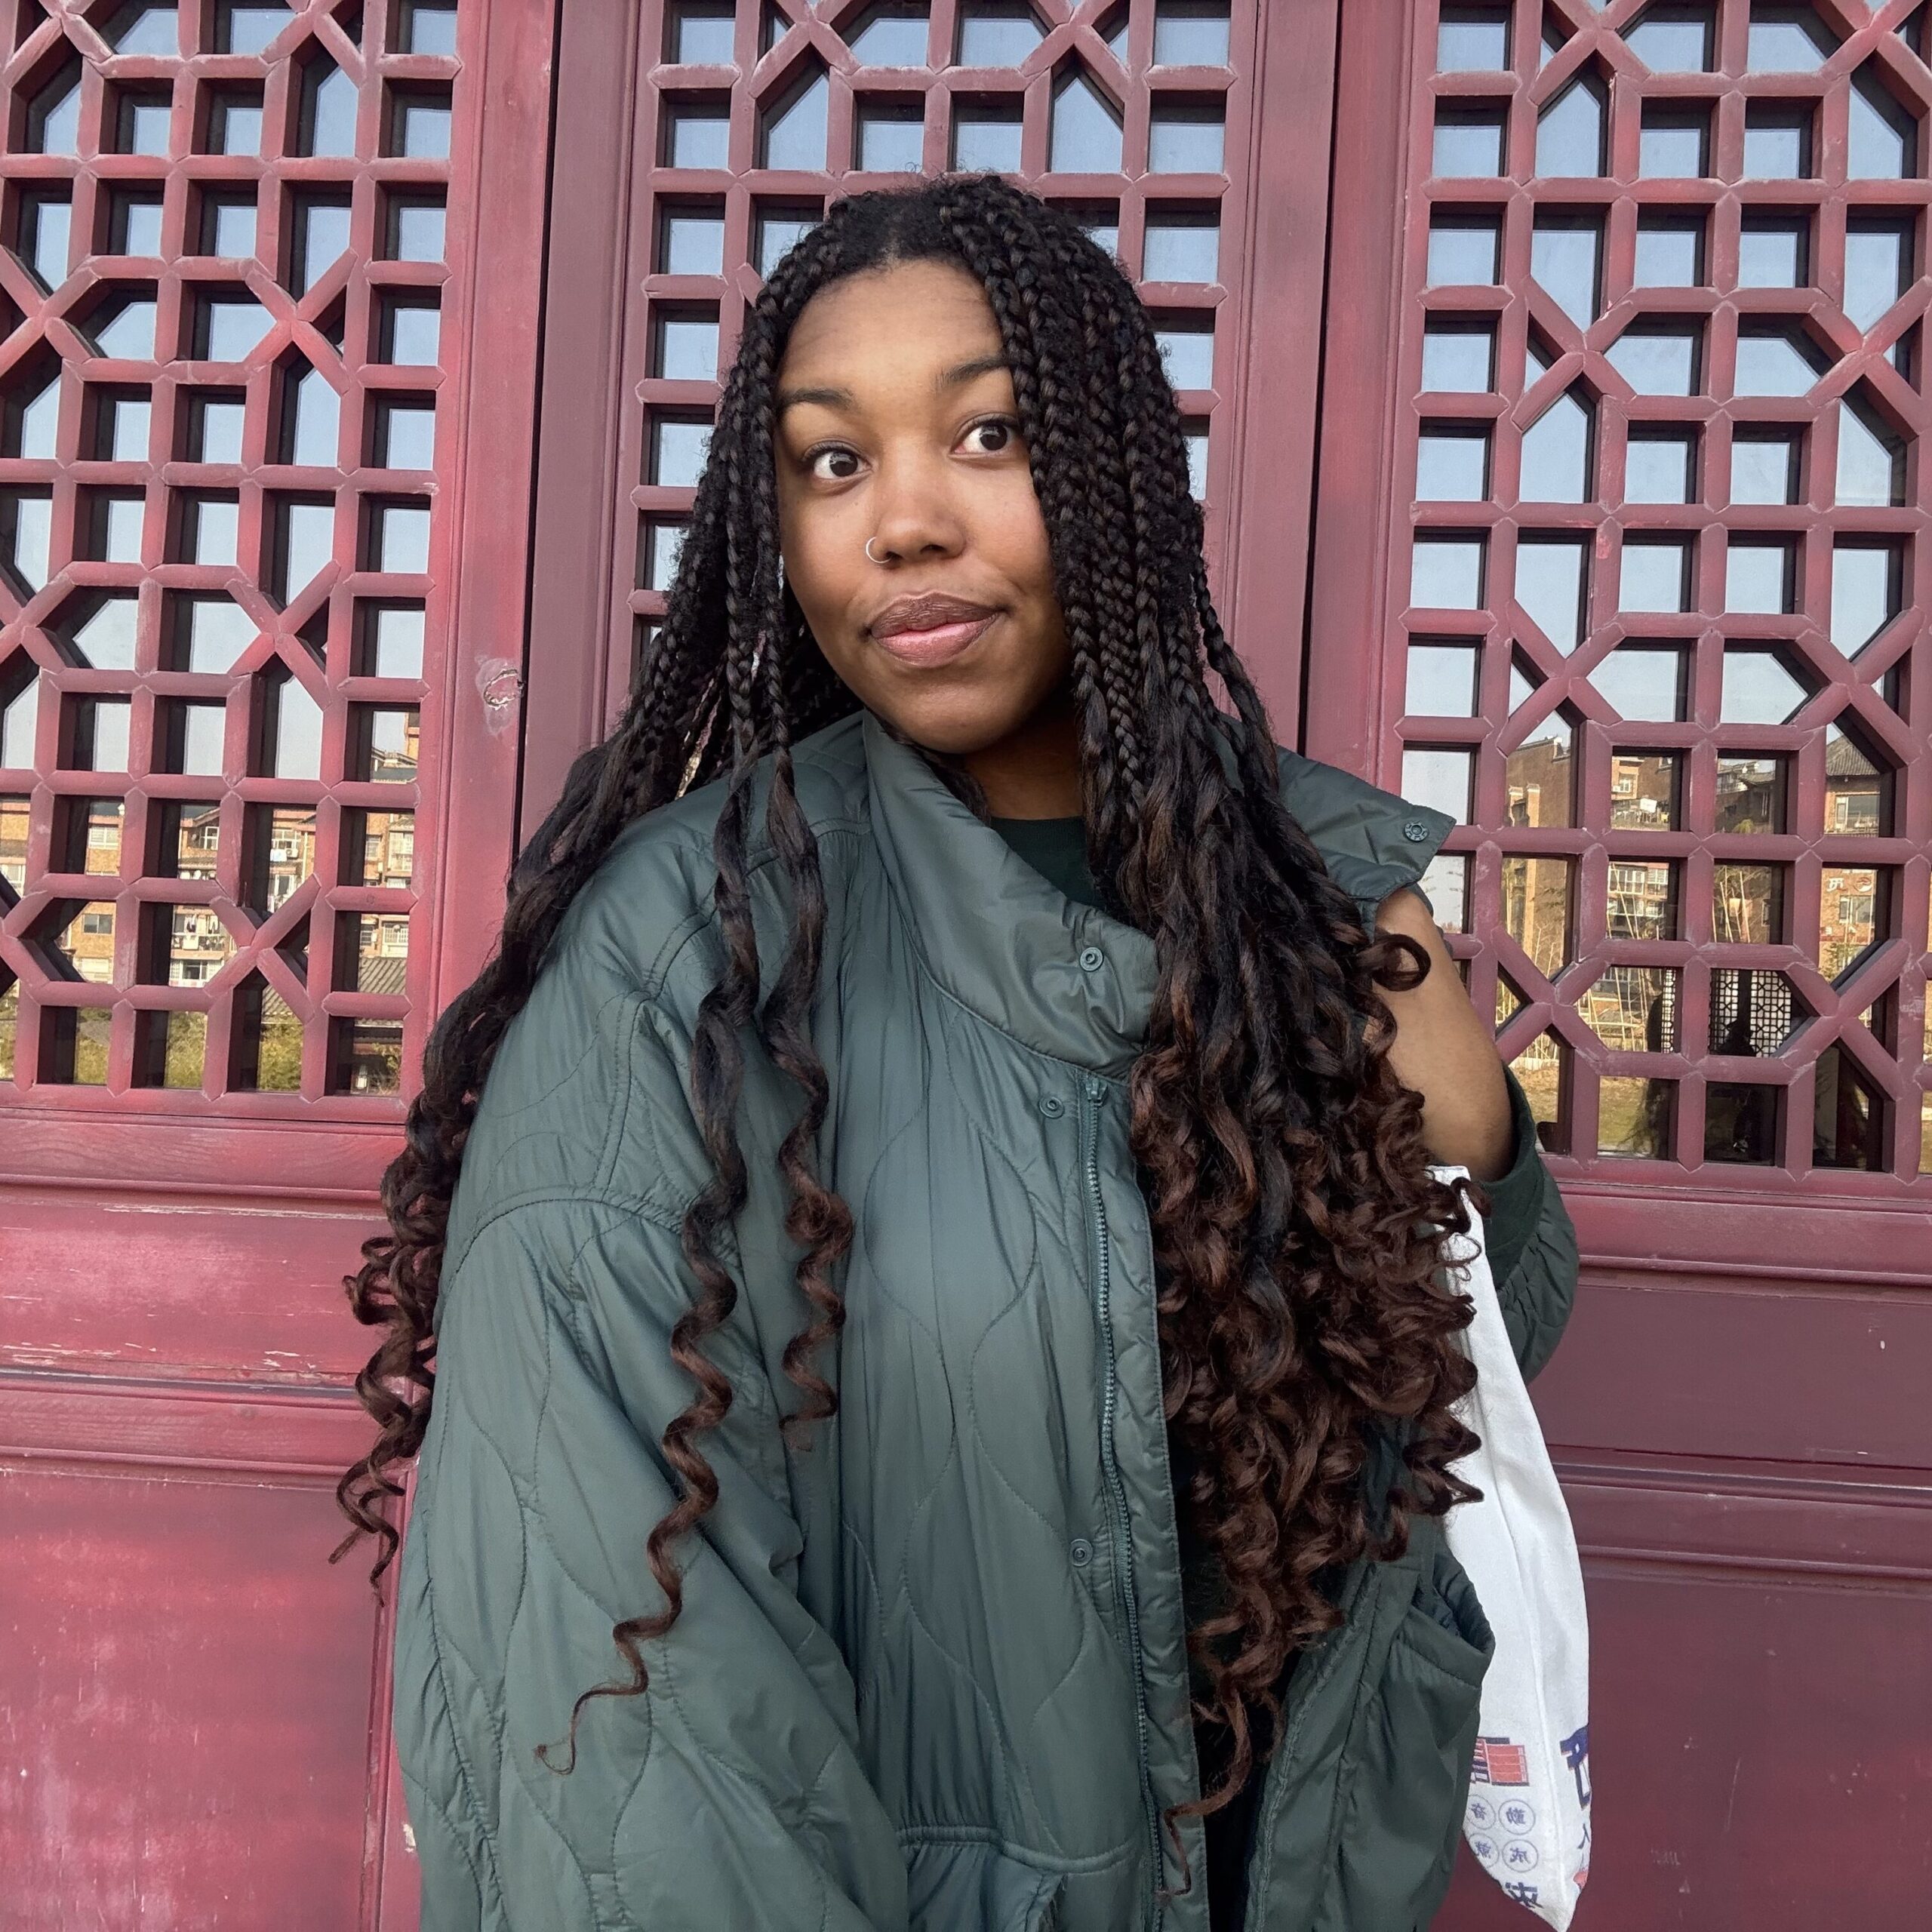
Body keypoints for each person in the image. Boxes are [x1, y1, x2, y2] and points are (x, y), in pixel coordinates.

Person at [333, 173, 1578, 1932]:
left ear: (1116, 476)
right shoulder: (689, 956)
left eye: (987, 435)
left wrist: (1483, 1136)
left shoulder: (1301, 882)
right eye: (832, 462)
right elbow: (619, 1710)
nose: (901, 523)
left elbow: (1455, 1396)